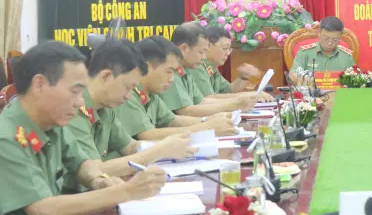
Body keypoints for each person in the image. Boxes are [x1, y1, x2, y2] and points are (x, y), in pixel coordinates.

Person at [0, 41, 166, 215]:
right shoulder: (7, 138)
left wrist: (99, 180)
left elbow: (80, 163)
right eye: (74, 91)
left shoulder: (51, 120)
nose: (80, 102)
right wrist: (126, 192)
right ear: (39, 84)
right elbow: (43, 208)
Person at [63, 39, 197, 193]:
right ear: (106, 76)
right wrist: (159, 151)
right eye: (127, 87)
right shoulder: (73, 109)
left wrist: (170, 146)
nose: (128, 96)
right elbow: (95, 170)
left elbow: (130, 147)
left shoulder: (105, 107)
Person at [115, 36, 238, 141]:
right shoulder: (128, 94)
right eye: (169, 71)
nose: (172, 79)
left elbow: (172, 120)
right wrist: (206, 127)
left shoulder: (151, 93)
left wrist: (208, 120)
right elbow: (147, 135)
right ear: (148, 68)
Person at [159, 23, 257, 117]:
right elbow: (185, 111)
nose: (204, 57)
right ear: (184, 48)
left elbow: (202, 101)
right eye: (201, 52)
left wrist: (238, 101)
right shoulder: (170, 72)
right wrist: (234, 104)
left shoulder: (185, 69)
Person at [188, 26, 271, 100]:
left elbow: (229, 90)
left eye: (229, 49)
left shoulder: (211, 66)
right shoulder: (196, 66)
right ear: (207, 46)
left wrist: (244, 77)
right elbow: (208, 99)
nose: (228, 53)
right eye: (225, 48)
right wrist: (251, 95)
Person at [291, 17, 356, 84]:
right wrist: (306, 81)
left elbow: (354, 80)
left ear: (340, 37)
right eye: (326, 38)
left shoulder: (346, 56)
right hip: (312, 89)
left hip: (338, 90)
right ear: (319, 33)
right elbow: (293, 74)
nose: (330, 42)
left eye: (335, 39)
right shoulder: (305, 52)